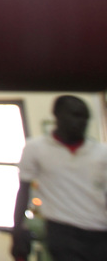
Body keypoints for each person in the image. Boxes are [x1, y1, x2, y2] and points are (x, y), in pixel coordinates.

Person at [12, 95, 107, 261]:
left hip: (99, 230)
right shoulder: (36, 148)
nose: (81, 122)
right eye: (75, 115)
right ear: (57, 115)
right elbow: (24, 190)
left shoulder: (101, 152)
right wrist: (17, 229)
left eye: (85, 117)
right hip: (62, 230)